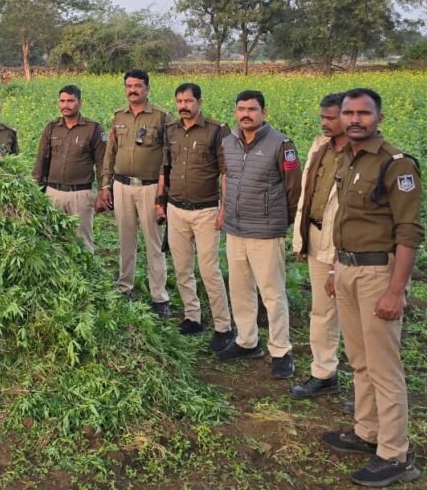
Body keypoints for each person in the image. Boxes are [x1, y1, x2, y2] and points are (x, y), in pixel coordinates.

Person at [321, 88, 422, 487]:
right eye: (349, 113)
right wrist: (335, 269)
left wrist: (396, 291)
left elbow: (408, 232)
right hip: (347, 269)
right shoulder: (349, 158)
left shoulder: (396, 165)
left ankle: (395, 454)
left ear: (379, 117)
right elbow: (345, 220)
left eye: (364, 113)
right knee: (359, 359)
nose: (355, 119)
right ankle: (367, 431)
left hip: (378, 274)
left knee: (383, 366)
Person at [217, 90, 301, 380]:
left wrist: (284, 221)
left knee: (272, 293)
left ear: (264, 112)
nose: (246, 114)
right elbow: (227, 178)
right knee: (240, 288)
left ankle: (281, 351)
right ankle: (247, 341)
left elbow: (293, 187)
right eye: (241, 109)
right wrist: (224, 210)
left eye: (252, 109)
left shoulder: (281, 144)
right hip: (235, 229)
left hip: (266, 231)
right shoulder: (228, 141)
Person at [159, 83, 234, 351]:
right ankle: (193, 317)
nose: (183, 106)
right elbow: (165, 168)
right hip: (176, 209)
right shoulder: (171, 130)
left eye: (188, 101)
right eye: (179, 101)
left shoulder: (216, 130)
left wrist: (224, 208)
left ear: (199, 102)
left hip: (206, 210)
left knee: (209, 270)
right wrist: (160, 201)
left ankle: (223, 327)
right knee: (182, 268)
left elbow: (226, 172)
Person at [97, 69, 173, 316]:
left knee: (154, 244)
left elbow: (168, 156)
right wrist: (105, 185)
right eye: (129, 86)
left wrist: (163, 192)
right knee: (125, 240)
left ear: (147, 88)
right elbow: (110, 152)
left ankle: (159, 297)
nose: (133, 90)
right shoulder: (119, 116)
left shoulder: (162, 116)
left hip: (150, 187)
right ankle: (124, 287)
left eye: (138, 86)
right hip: (122, 186)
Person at [290, 93, 347, 399]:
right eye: (322, 117)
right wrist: (300, 237)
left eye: (331, 118)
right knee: (322, 309)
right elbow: (306, 192)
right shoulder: (320, 146)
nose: (325, 123)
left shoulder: (364, 155)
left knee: (358, 316)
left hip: (349, 245)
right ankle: (324, 373)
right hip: (316, 235)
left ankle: (370, 388)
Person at [32, 85, 105, 252]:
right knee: (53, 241)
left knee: (82, 242)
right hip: (53, 193)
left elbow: (102, 164)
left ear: (80, 102)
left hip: (80, 194)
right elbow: (41, 161)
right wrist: (35, 190)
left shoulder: (93, 129)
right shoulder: (52, 127)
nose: (66, 105)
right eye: (62, 101)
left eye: (70, 101)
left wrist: (103, 191)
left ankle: (84, 269)